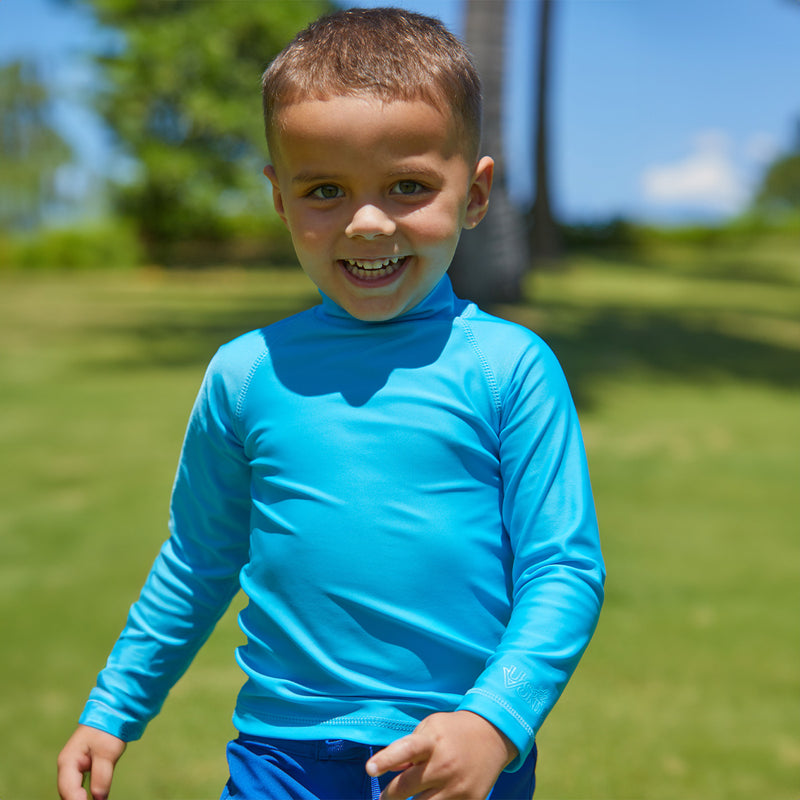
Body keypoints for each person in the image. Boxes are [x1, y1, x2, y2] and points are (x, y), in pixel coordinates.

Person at [57, 7, 605, 800]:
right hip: (280, 757)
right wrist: (113, 708)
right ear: (280, 198)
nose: (369, 221)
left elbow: (562, 569)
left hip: (450, 753)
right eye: (325, 190)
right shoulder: (246, 374)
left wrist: (494, 721)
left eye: (409, 186)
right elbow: (196, 559)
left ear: (476, 194)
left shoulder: (509, 369)